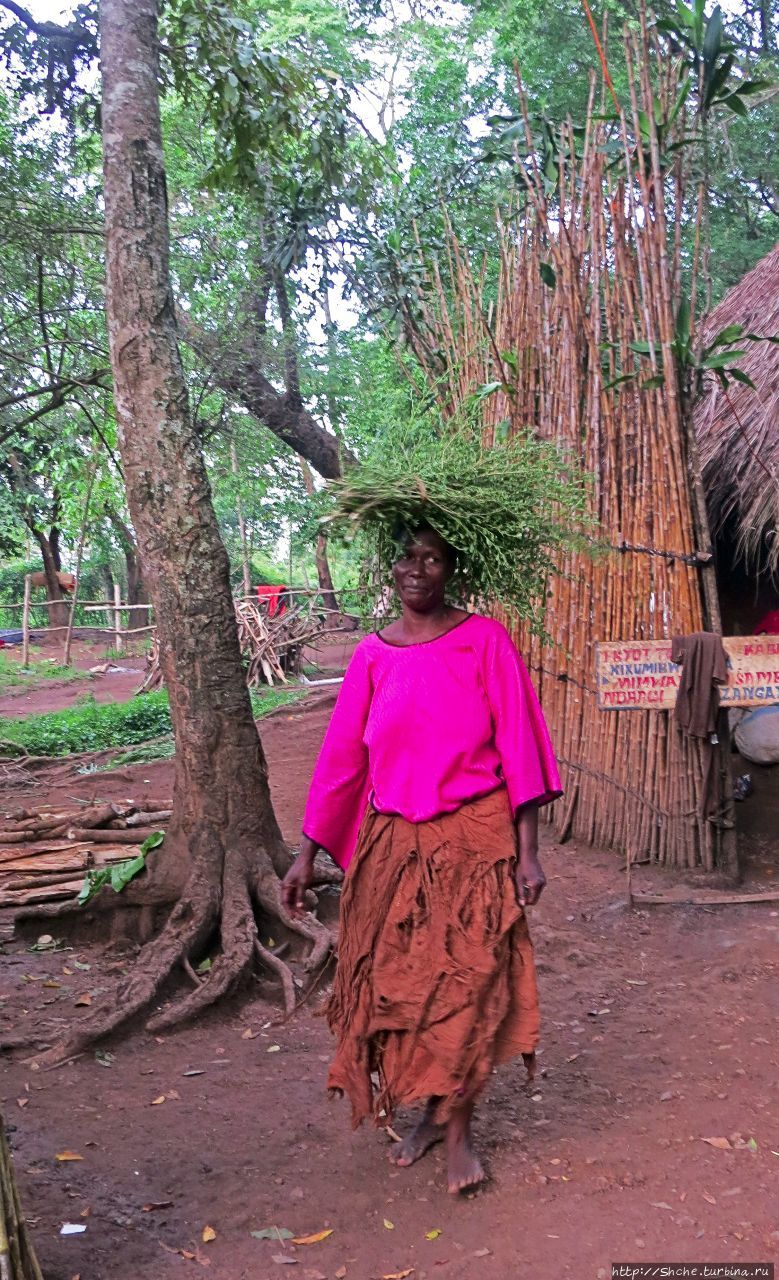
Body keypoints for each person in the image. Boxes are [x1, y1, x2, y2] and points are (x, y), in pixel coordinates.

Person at [282, 525, 562, 1194]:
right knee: (401, 987)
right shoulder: (372, 655)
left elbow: (519, 743)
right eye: (407, 556)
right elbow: (343, 760)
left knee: (468, 984)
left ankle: (459, 1126)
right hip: (393, 846)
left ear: (451, 569)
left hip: (473, 838)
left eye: (431, 558)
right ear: (391, 566)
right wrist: (306, 855)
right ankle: (431, 1112)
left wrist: (527, 854)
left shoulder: (483, 641)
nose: (416, 569)